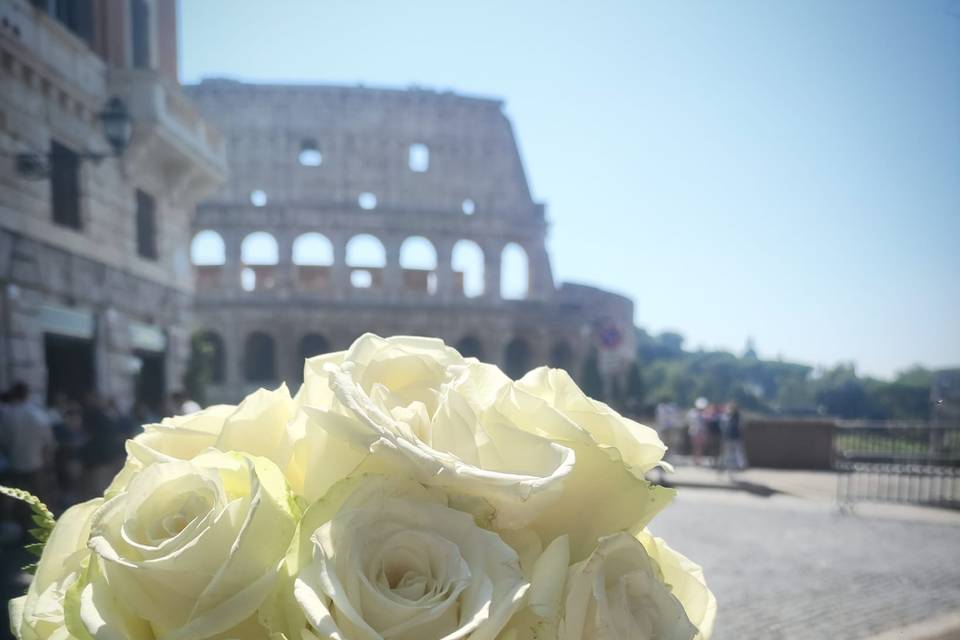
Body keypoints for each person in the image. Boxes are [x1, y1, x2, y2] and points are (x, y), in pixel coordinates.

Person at [0, 382, 56, 540]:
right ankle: (44, 530)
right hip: (36, 462)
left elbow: (3, 439)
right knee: (39, 497)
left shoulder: (8, 414)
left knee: (17, 498)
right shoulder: (37, 413)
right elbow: (48, 440)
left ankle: (23, 528)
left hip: (15, 462)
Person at [720, 401, 747, 471]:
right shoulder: (727, 416)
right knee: (729, 453)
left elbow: (741, 427)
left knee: (736, 452)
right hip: (730, 438)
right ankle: (727, 466)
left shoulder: (737, 417)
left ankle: (736, 466)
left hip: (734, 437)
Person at [686, 397, 708, 465]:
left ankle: (697, 460)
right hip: (695, 432)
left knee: (699, 447)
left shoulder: (700, 413)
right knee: (696, 447)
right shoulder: (693, 412)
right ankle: (696, 460)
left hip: (699, 432)